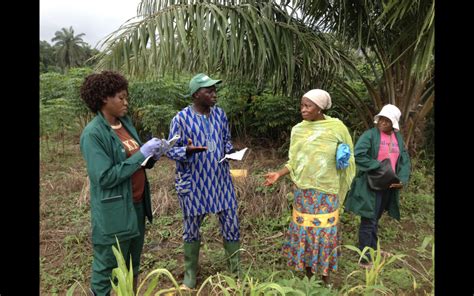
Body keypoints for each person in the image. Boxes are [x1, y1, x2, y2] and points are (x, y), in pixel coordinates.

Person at [79, 70, 168, 296]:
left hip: (136, 206)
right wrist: (141, 156)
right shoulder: (94, 134)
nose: (126, 102)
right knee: (107, 269)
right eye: (121, 97)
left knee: (131, 265)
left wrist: (152, 156)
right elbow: (104, 177)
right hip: (114, 213)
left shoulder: (125, 124)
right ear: (103, 99)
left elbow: (136, 161)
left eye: (126, 97)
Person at [263, 89, 355, 285]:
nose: (303, 109)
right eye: (302, 105)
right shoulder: (298, 130)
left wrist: (343, 158)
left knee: (324, 233)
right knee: (305, 231)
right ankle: (308, 276)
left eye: (308, 106)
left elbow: (350, 156)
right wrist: (278, 174)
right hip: (303, 191)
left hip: (327, 191)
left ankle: (324, 276)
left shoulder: (336, 128)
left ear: (319, 108)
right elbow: (294, 161)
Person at [165, 73, 241, 289]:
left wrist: (231, 152)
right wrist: (186, 150)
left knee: (231, 223)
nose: (214, 94)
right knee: (191, 228)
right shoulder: (180, 119)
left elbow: (226, 140)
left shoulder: (220, 115)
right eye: (209, 91)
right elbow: (169, 151)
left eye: (215, 90)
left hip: (220, 181)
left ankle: (235, 272)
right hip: (194, 182)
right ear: (196, 94)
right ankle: (190, 274)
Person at [344, 104, 411, 268]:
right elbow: (359, 155)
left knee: (375, 219)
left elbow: (404, 160)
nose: (383, 122)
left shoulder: (398, 138)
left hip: (388, 186)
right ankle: (365, 258)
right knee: (368, 220)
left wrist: (401, 179)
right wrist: (379, 167)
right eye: (381, 119)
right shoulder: (370, 136)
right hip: (371, 184)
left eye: (387, 120)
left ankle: (372, 250)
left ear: (393, 124)